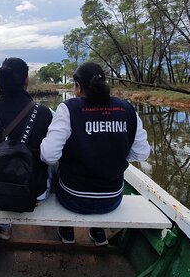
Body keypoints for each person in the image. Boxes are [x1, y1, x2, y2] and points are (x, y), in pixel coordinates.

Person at [40, 62, 150, 246]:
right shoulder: (127, 109)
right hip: (112, 199)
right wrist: (115, 155)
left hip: (73, 198)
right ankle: (97, 230)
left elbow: (48, 155)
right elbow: (142, 153)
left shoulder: (68, 108)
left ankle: (67, 230)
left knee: (54, 162)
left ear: (78, 86)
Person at [0, 57, 53, 240]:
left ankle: (4, 227)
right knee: (52, 162)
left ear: (0, 81)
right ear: (26, 80)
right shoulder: (43, 112)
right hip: (35, 193)